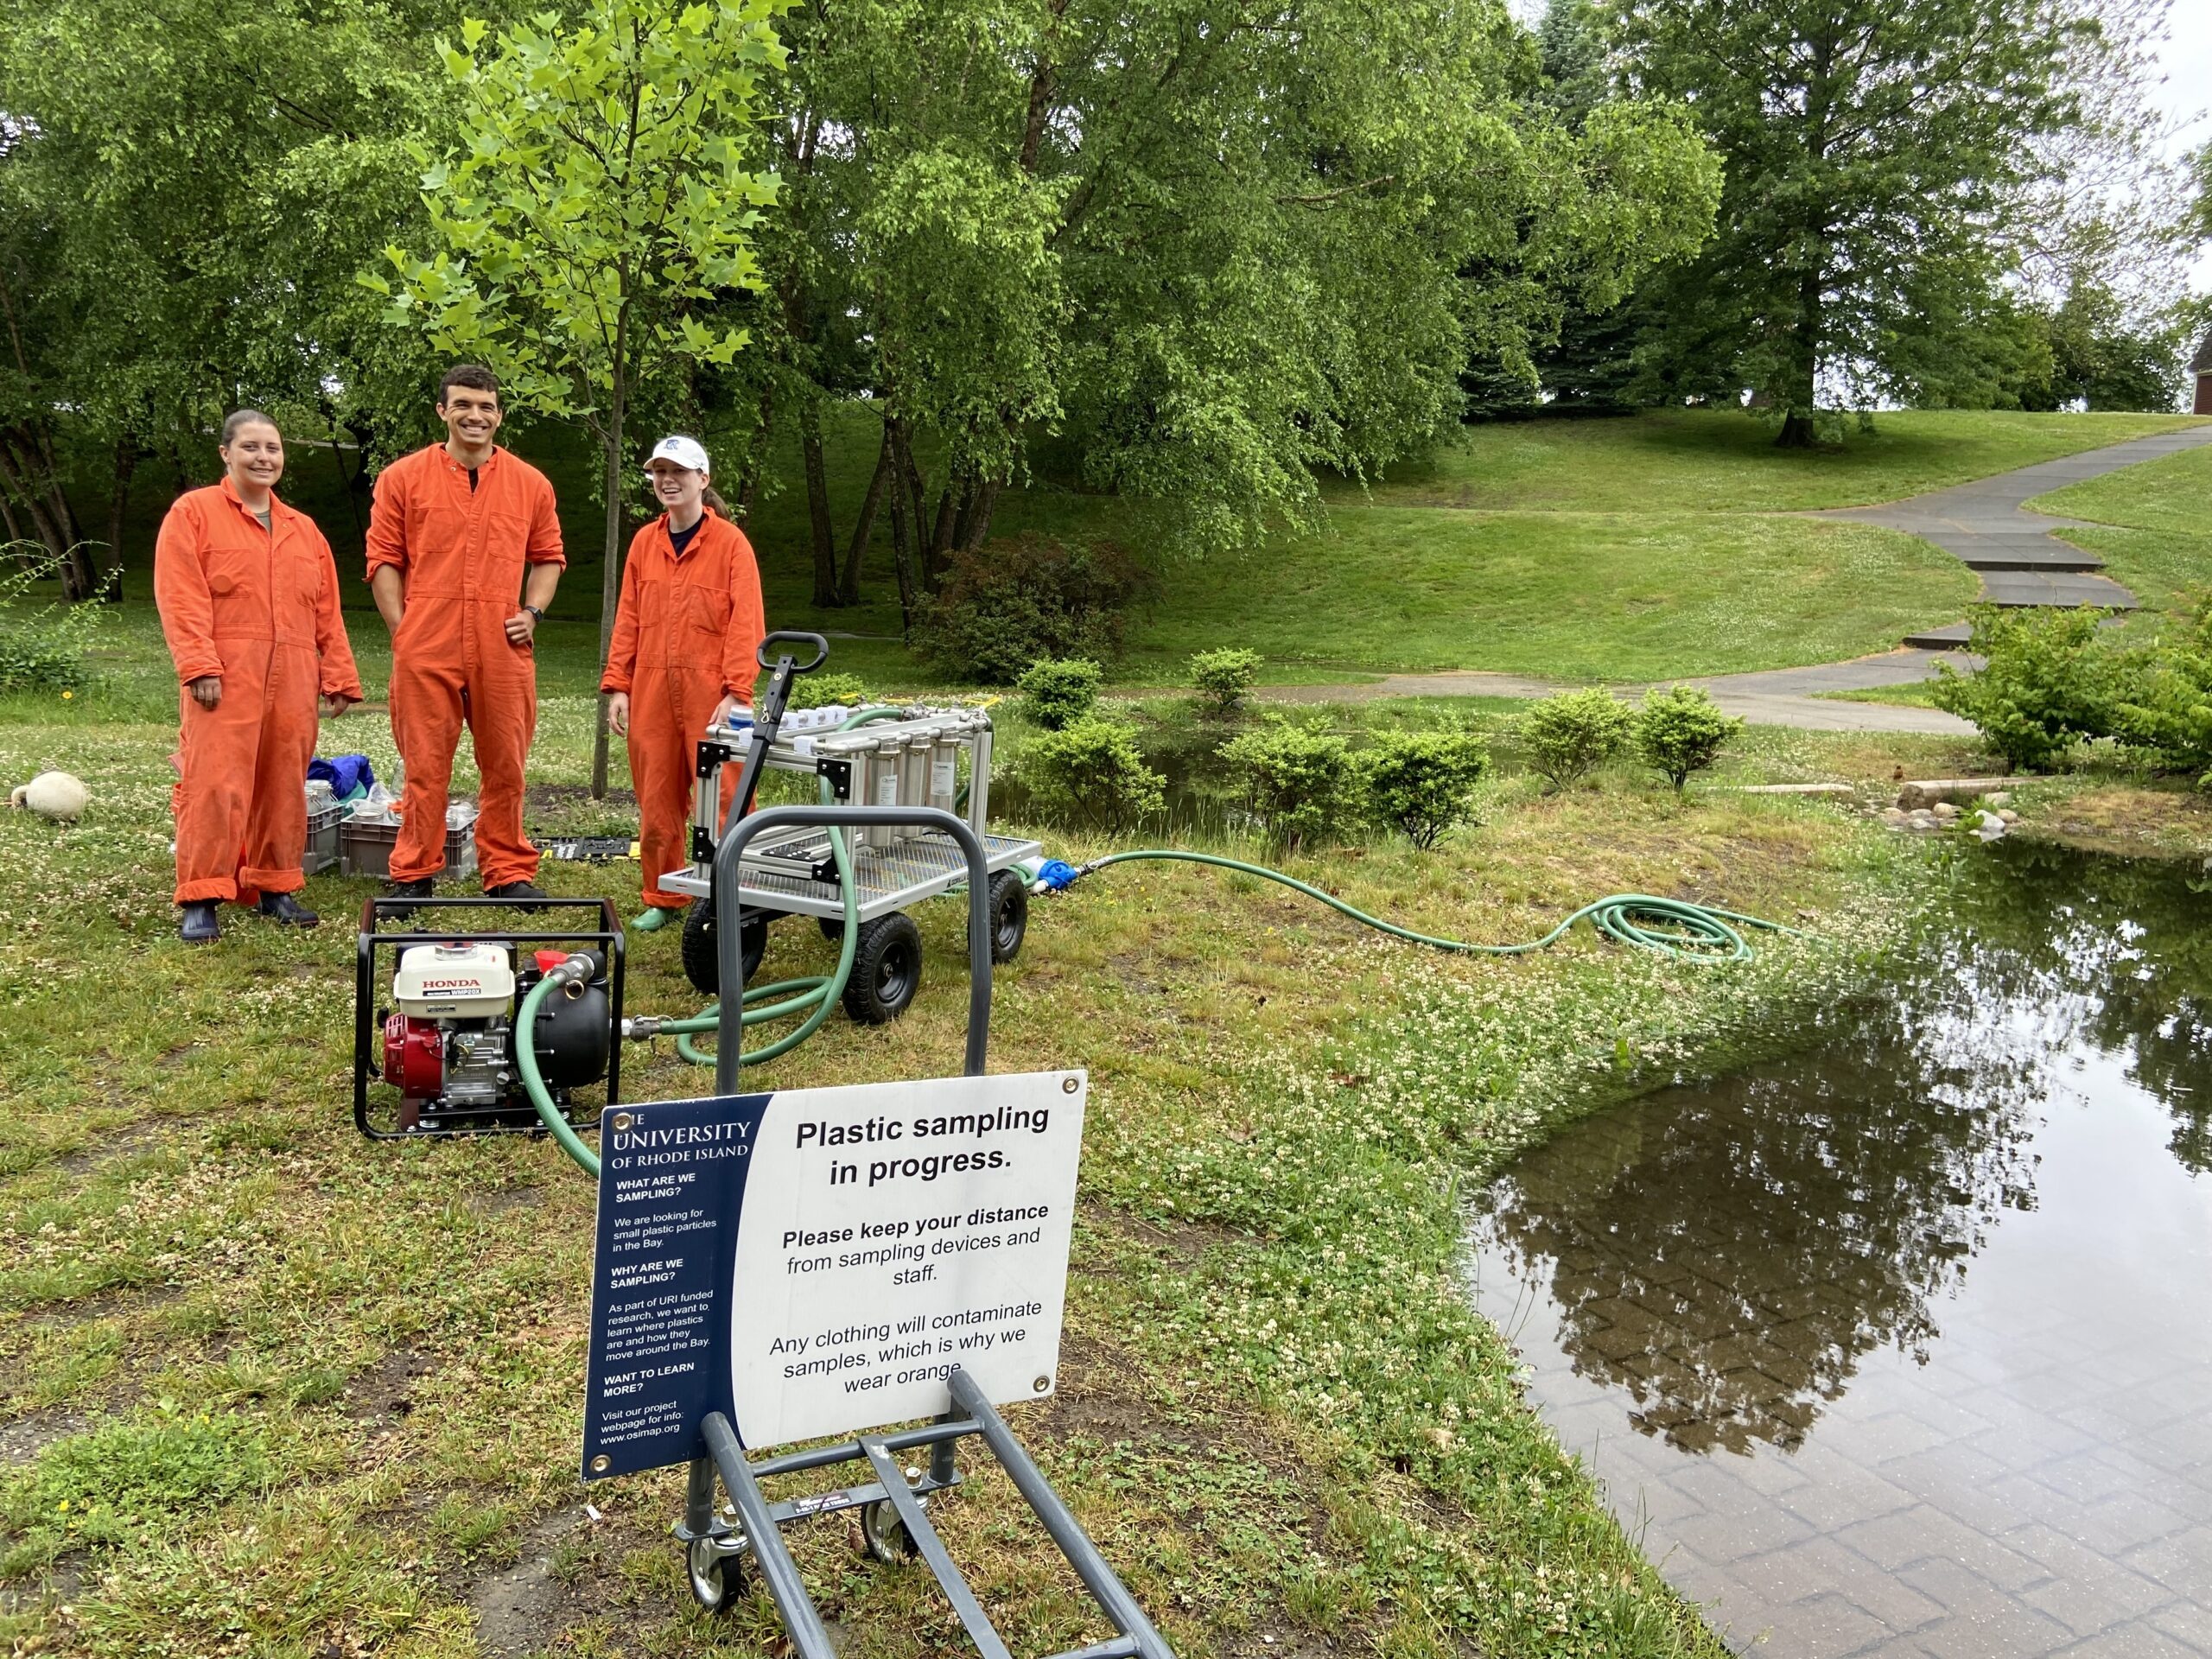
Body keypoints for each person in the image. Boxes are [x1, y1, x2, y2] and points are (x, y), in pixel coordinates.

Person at [155, 410, 362, 943]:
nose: (263, 457)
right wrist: (199, 664)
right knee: (215, 782)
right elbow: (181, 595)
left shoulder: (304, 530)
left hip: (294, 672)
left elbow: (327, 608)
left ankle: (276, 886)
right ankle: (202, 894)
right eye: (250, 447)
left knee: (284, 784)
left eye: (272, 448)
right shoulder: (194, 513)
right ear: (226, 453)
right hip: (226, 672)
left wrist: (337, 672)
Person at [365, 365, 564, 900]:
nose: (475, 416)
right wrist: (402, 630)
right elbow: (383, 559)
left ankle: (508, 872)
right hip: (426, 638)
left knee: (506, 762)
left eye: (485, 407)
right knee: (425, 764)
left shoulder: (530, 484)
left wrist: (534, 611)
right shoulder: (402, 478)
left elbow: (548, 557)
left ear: (499, 415)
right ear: (442, 411)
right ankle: (414, 874)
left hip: (503, 640)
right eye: (463, 405)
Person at [601, 435, 766, 931]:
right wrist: (619, 685)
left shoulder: (731, 544)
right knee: (657, 799)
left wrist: (736, 691)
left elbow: (747, 622)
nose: (668, 481)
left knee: (724, 795)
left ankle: (731, 896)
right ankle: (663, 894)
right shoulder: (643, 544)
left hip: (710, 693)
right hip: (650, 689)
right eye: (659, 472)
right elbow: (627, 617)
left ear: (703, 479)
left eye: (679, 472)